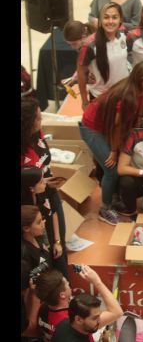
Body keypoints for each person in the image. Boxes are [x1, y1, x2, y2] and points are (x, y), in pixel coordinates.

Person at [79, 62, 143, 225]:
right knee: (111, 170)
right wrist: (114, 151)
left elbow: (141, 103)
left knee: (110, 166)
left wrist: (138, 119)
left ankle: (113, 197)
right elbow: (118, 127)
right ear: (139, 81)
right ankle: (105, 208)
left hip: (105, 125)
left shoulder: (140, 91)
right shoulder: (128, 98)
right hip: (91, 127)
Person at [21, 97, 67, 264]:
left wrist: (48, 182)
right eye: (38, 118)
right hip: (33, 203)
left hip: (50, 192)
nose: (42, 120)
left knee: (59, 242)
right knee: (44, 254)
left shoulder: (37, 133)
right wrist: (41, 185)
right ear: (27, 123)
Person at [36, 265, 122, 342]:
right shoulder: (71, 319)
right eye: (67, 284)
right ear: (62, 295)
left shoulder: (43, 307)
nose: (69, 284)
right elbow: (117, 312)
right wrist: (97, 282)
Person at [77, 2, 132, 110]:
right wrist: (84, 101)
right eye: (106, 17)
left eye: (114, 17)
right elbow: (81, 73)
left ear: (120, 19)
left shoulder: (124, 33)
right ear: (100, 20)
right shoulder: (89, 45)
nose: (110, 21)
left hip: (124, 94)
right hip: (101, 98)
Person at [22, 168, 67, 275]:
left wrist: (57, 242)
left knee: (61, 265)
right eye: (41, 182)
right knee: (45, 270)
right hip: (36, 241)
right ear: (31, 188)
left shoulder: (45, 190)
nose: (45, 183)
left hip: (49, 235)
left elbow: (54, 212)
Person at [21, 205, 51, 339]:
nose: (43, 223)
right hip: (36, 304)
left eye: (42, 219)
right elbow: (26, 291)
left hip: (46, 296)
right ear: (26, 228)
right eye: (39, 222)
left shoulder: (39, 236)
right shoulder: (24, 255)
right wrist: (32, 320)